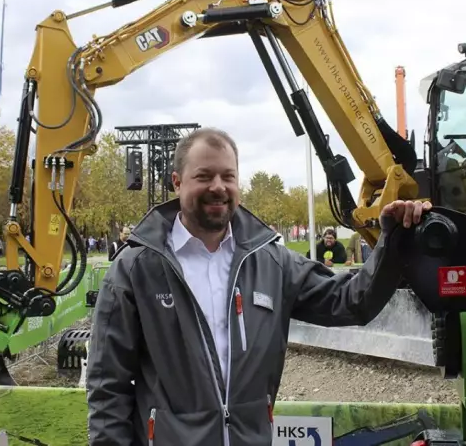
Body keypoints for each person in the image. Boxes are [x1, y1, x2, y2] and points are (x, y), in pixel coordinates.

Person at [86, 127, 431, 446]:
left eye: (228, 176)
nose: (218, 187)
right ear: (177, 182)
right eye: (203, 176)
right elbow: (107, 387)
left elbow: (353, 302)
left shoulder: (273, 264)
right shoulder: (136, 269)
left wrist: (392, 240)